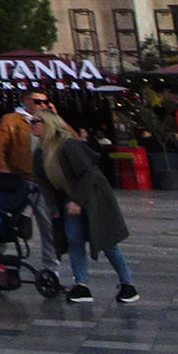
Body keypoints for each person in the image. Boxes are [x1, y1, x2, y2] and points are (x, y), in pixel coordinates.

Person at [50, 124, 137, 304]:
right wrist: (53, 204)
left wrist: (78, 200)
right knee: (74, 239)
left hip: (92, 197)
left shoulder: (69, 146)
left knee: (107, 241)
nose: (32, 126)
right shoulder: (42, 152)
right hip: (69, 199)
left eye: (35, 122)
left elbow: (89, 173)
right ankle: (81, 285)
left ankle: (127, 284)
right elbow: (45, 181)